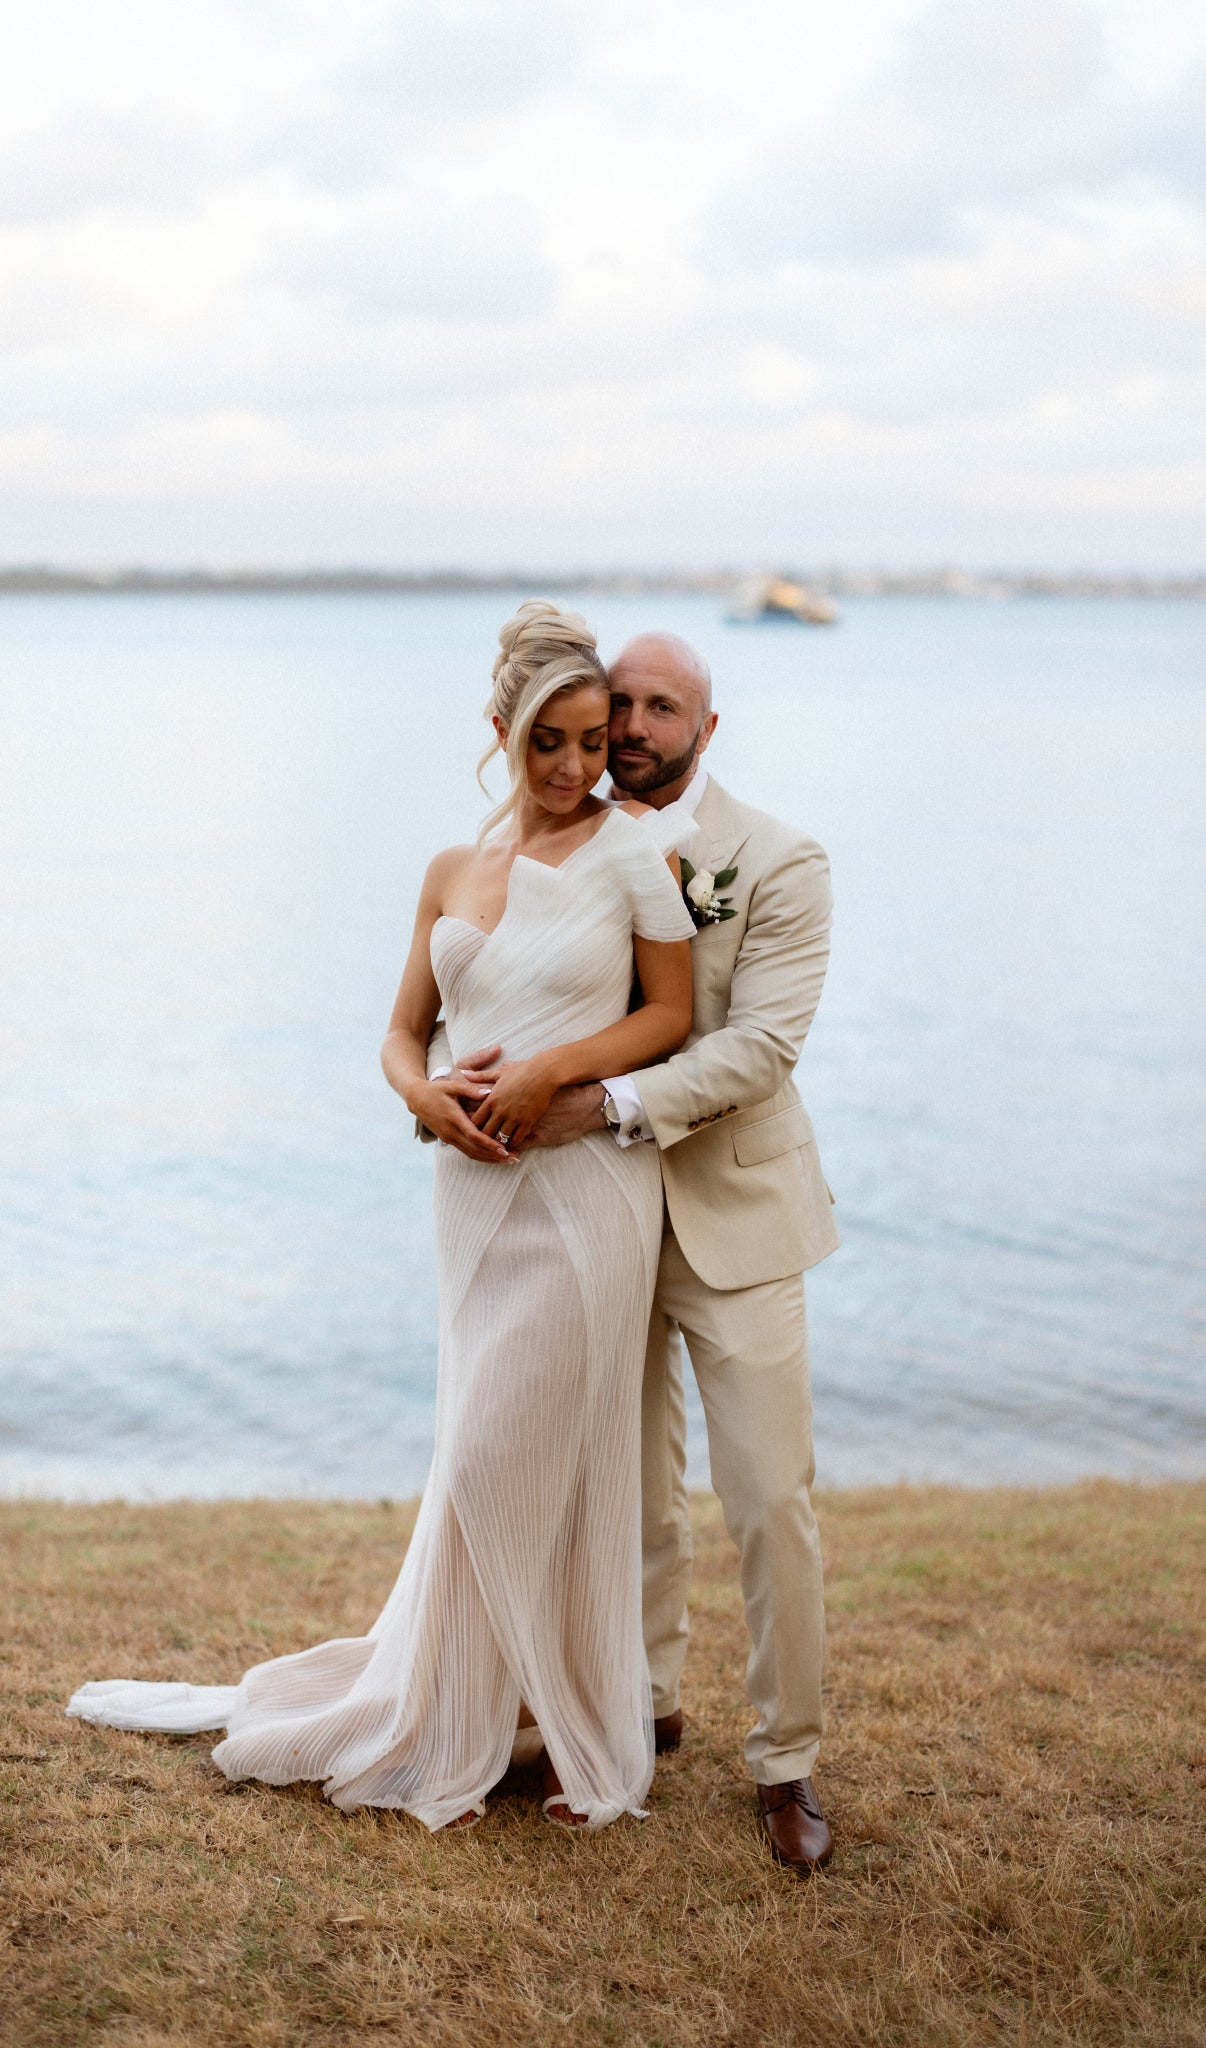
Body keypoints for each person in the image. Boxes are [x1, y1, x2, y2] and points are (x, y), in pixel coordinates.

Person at [67, 600, 696, 1833]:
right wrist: (425, 1095)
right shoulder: (449, 871)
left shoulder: (631, 852)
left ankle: (569, 1734)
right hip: (469, 1194)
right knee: (479, 1447)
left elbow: (667, 1017)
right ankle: (486, 1707)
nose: (574, 768)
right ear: (498, 730)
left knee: (520, 1461)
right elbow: (403, 1031)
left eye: (589, 741)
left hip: (581, 1192)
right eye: (547, 743)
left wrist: (542, 1071)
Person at [436, 632, 840, 1872]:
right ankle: (643, 1706)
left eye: (662, 707)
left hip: (729, 1210)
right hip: (593, 1217)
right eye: (621, 704)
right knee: (626, 1488)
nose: (632, 726)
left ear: (706, 728)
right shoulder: (572, 844)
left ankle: (787, 1761)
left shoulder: (777, 858)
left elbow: (758, 1046)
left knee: (767, 1495)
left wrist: (594, 1101)